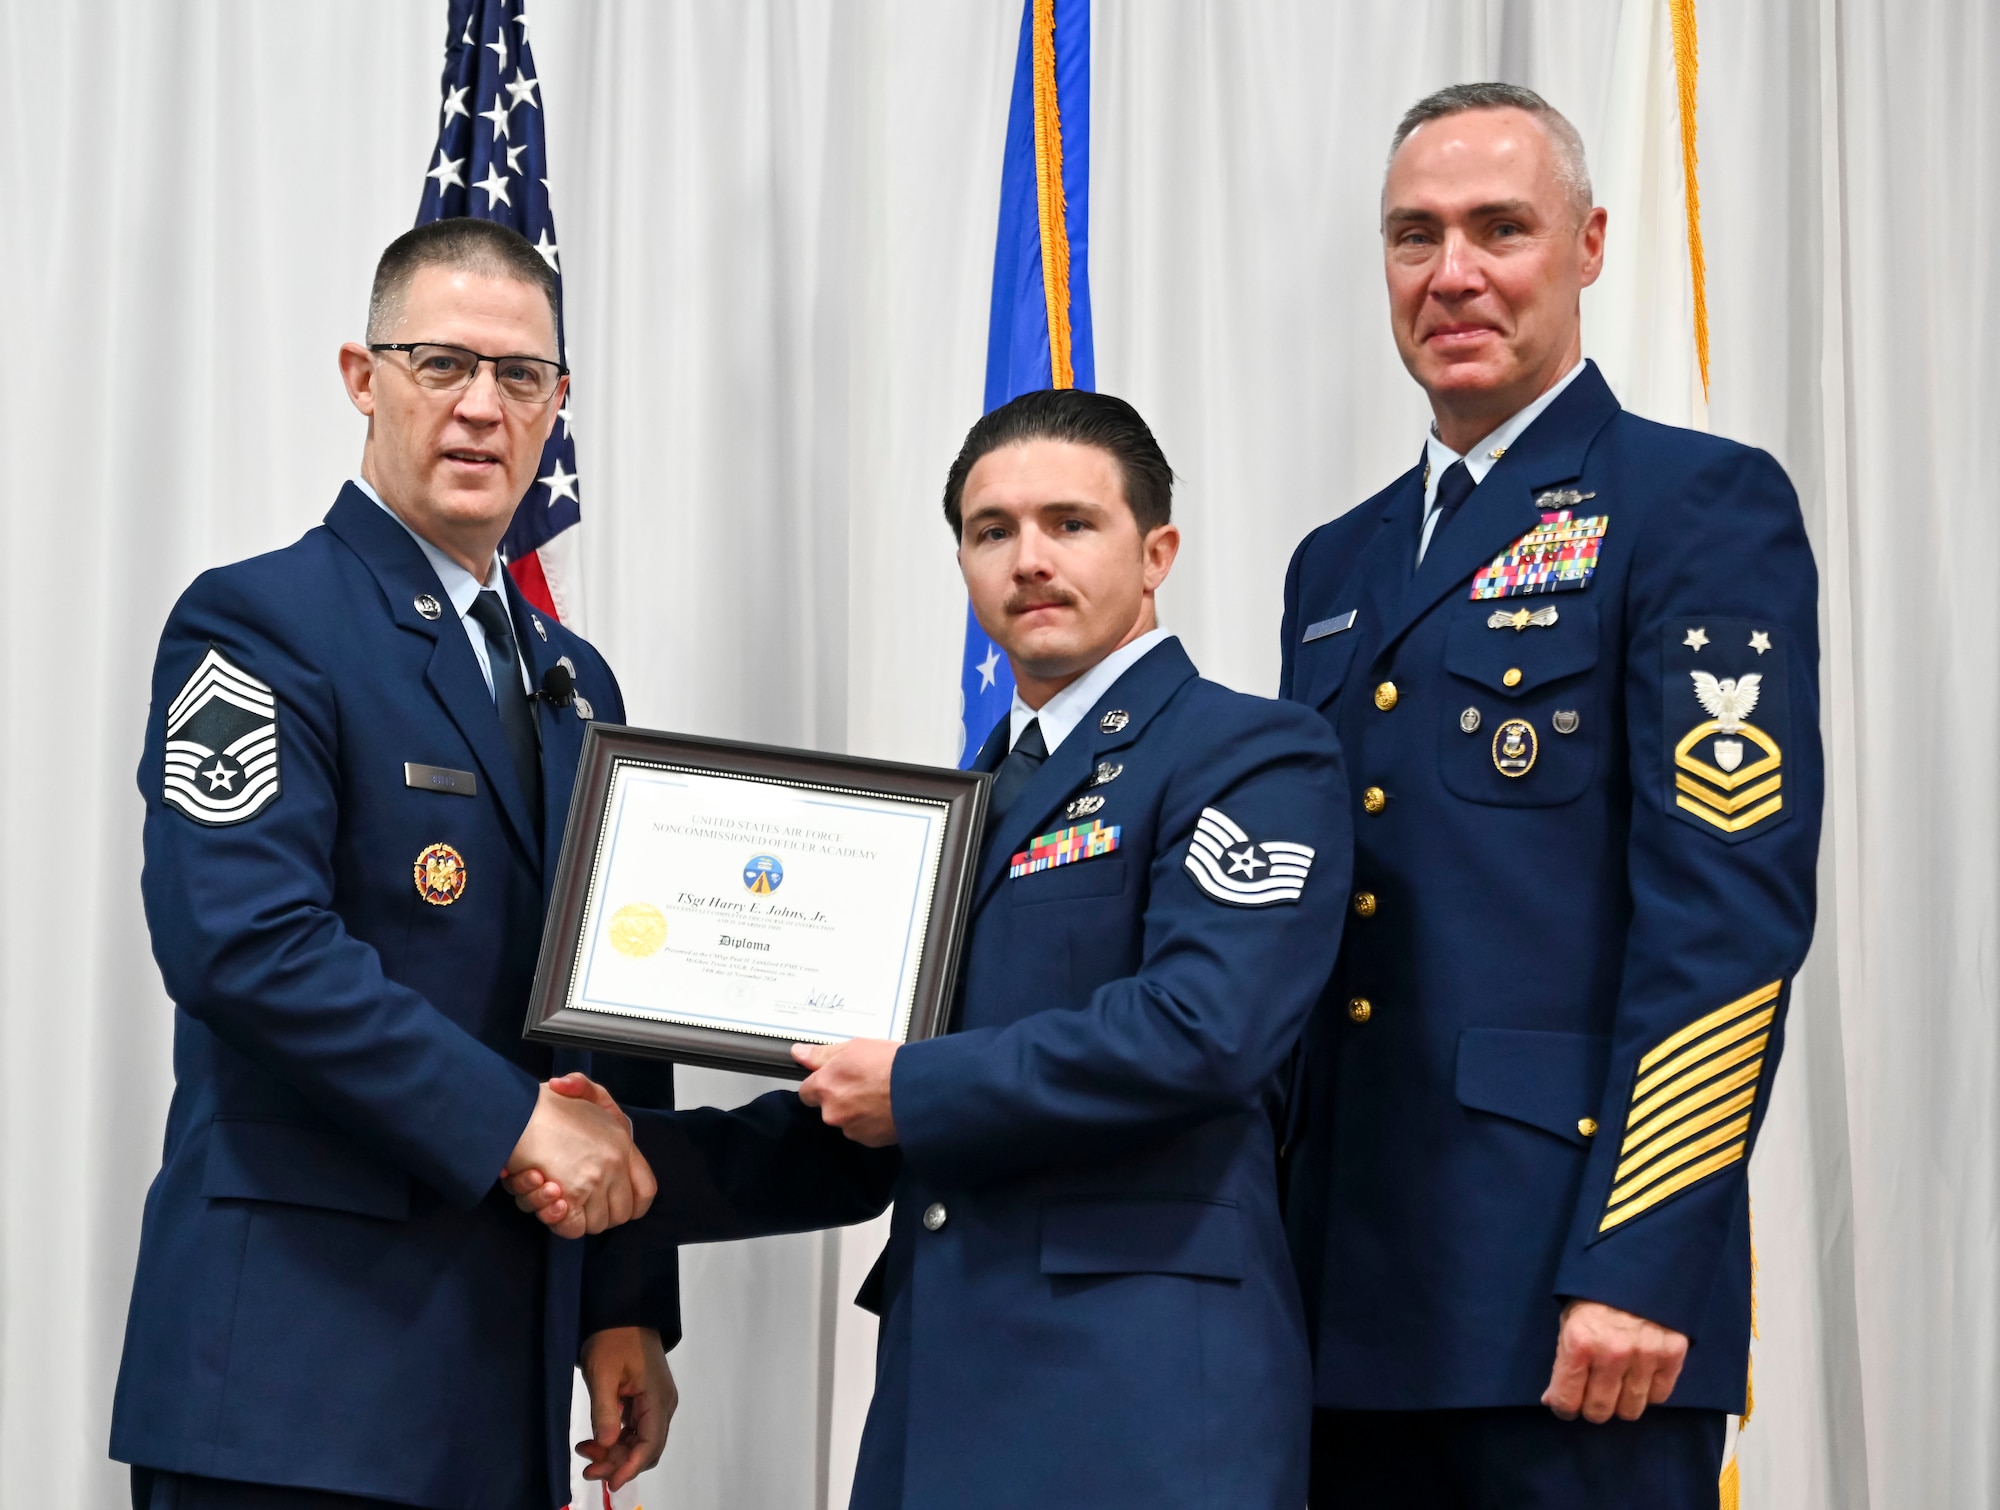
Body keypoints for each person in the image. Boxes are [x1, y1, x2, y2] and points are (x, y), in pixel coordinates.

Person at [512, 387, 1353, 1507]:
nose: (1028, 559)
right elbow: (861, 1131)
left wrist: (912, 1083)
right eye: (990, 531)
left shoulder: (1250, 753)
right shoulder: (959, 808)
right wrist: (631, 1157)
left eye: (1070, 522)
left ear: (1156, 552)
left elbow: (1204, 1029)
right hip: (943, 1377)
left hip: (1143, 1392)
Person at [1277, 83, 1822, 1507]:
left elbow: (1727, 917)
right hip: (1339, 1291)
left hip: (1571, 1296)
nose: (1451, 273)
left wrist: (1640, 1257)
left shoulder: (1695, 506)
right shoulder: (1334, 567)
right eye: (1414, 236)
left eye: (1496, 228)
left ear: (1585, 244)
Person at [112, 219, 677, 1510]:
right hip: (292, 1382)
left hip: (500, 1375)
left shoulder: (574, 685)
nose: (482, 406)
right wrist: (516, 1120)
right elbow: (242, 942)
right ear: (363, 377)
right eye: (441, 364)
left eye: (521, 375)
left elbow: (612, 999)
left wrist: (621, 1300)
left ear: (558, 406)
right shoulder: (258, 622)